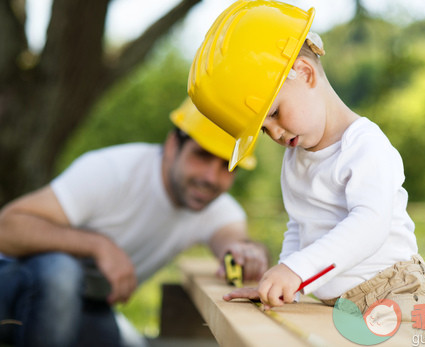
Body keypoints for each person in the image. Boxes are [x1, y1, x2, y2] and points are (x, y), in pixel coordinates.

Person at [187, 0, 425, 338]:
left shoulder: (364, 145)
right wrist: (286, 284)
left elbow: (369, 225)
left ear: (304, 73)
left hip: (394, 293)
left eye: (273, 114)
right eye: (262, 129)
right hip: (340, 303)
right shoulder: (296, 159)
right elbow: (300, 226)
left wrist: (297, 270)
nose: (273, 132)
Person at [0, 97, 268, 347]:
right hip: (13, 286)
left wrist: (247, 253)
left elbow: (233, 242)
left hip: (87, 305)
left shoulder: (216, 207)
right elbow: (7, 227)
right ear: (173, 144)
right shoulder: (112, 171)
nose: (212, 177)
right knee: (60, 272)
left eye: (228, 166)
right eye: (202, 155)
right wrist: (99, 246)